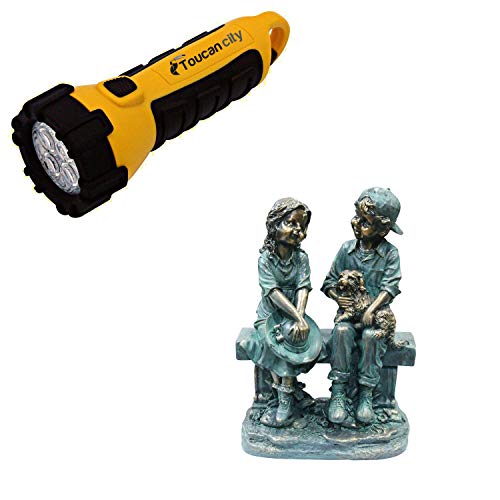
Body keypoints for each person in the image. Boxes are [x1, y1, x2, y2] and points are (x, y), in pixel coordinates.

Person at [322, 187, 403, 424]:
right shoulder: (346, 250)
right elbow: (329, 282)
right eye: (356, 216)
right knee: (341, 331)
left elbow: (390, 287)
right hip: (348, 316)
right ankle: (338, 391)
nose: (356, 223)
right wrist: (338, 297)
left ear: (383, 229)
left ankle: (366, 394)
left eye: (365, 222)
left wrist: (371, 309)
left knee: (371, 337)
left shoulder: (390, 254)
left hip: (375, 317)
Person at [240, 198, 321, 427]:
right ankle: (284, 397)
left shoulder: (301, 258)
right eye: (291, 223)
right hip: (269, 317)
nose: (297, 230)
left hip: (295, 316)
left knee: (299, 340)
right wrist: (296, 317)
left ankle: (290, 393)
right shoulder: (265, 259)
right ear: (275, 224)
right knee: (275, 343)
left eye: (301, 226)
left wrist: (300, 317)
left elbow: (303, 287)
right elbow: (273, 292)